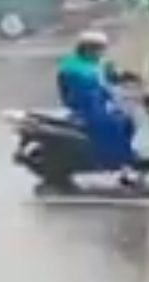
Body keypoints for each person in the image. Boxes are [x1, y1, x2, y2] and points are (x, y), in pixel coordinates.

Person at [56, 30, 142, 184]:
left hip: (98, 102)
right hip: (84, 105)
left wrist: (131, 76)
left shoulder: (98, 62)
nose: (101, 53)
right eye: (97, 49)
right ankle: (120, 164)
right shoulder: (73, 67)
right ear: (86, 49)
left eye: (102, 49)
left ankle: (125, 158)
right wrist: (108, 93)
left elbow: (112, 74)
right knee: (112, 125)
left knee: (127, 119)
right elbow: (85, 89)